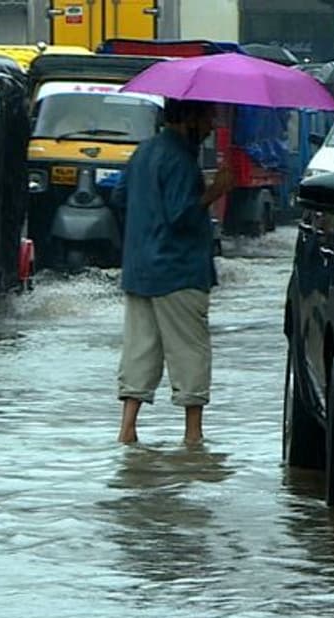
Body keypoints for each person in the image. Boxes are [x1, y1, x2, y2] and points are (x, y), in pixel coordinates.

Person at [110, 98, 235, 445]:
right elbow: (181, 214)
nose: (211, 126)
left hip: (140, 270)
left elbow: (119, 198)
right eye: (208, 116)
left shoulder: (144, 152)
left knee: (139, 350)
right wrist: (215, 191)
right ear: (190, 118)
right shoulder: (181, 160)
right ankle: (193, 436)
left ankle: (127, 429)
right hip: (179, 271)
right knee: (189, 351)